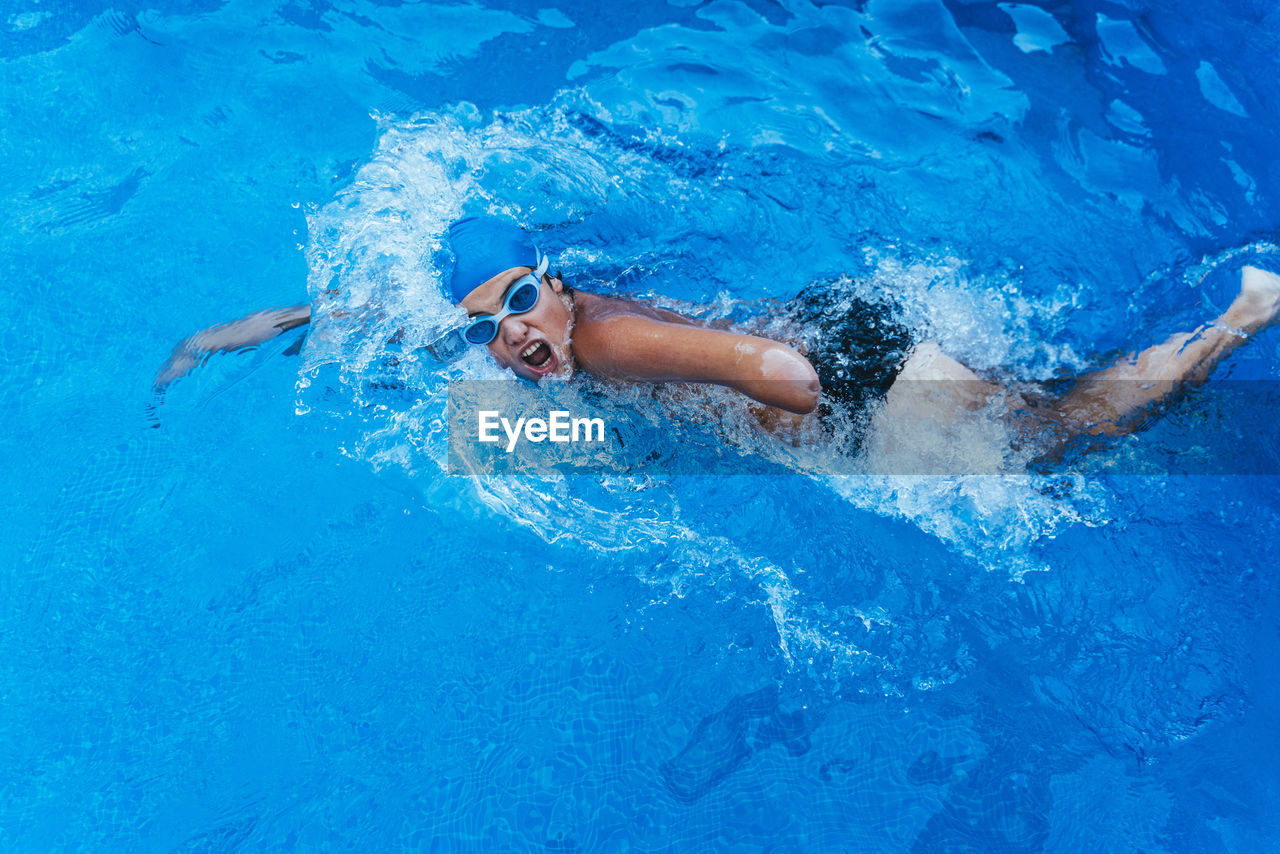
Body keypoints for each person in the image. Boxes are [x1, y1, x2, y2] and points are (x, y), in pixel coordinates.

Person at [156, 216, 1280, 452]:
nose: (509, 343)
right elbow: (347, 311)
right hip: (841, 333)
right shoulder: (541, 316)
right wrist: (219, 338)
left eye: (516, 310)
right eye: (481, 332)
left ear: (553, 286)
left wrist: (834, 428)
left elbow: (772, 371)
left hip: (838, 374)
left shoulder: (596, 341)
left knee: (1050, 438)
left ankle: (1239, 321)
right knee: (1044, 410)